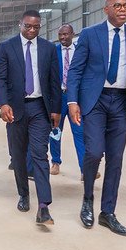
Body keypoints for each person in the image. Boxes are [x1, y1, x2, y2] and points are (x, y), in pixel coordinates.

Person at [67, 0, 126, 237]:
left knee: (116, 157)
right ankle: (87, 199)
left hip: (121, 102)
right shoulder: (90, 34)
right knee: (93, 152)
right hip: (95, 100)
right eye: (117, 6)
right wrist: (72, 101)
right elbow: (76, 70)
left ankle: (108, 212)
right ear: (106, 10)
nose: (123, 9)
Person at [0, 10, 61, 227]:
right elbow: (0, 79)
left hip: (40, 108)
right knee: (18, 155)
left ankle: (44, 205)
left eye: (36, 27)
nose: (32, 30)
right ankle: (24, 194)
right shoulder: (7, 47)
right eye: (28, 26)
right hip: (15, 109)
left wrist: (56, 109)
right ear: (20, 24)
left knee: (40, 154)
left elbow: (54, 80)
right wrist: (3, 104)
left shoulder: (48, 48)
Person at [49, 23, 98, 181]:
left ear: (72, 34)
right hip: (57, 98)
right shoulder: (53, 52)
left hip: (76, 98)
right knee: (55, 131)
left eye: (66, 34)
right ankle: (55, 162)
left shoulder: (80, 50)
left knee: (80, 132)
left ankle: (85, 169)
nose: (63, 37)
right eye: (60, 35)